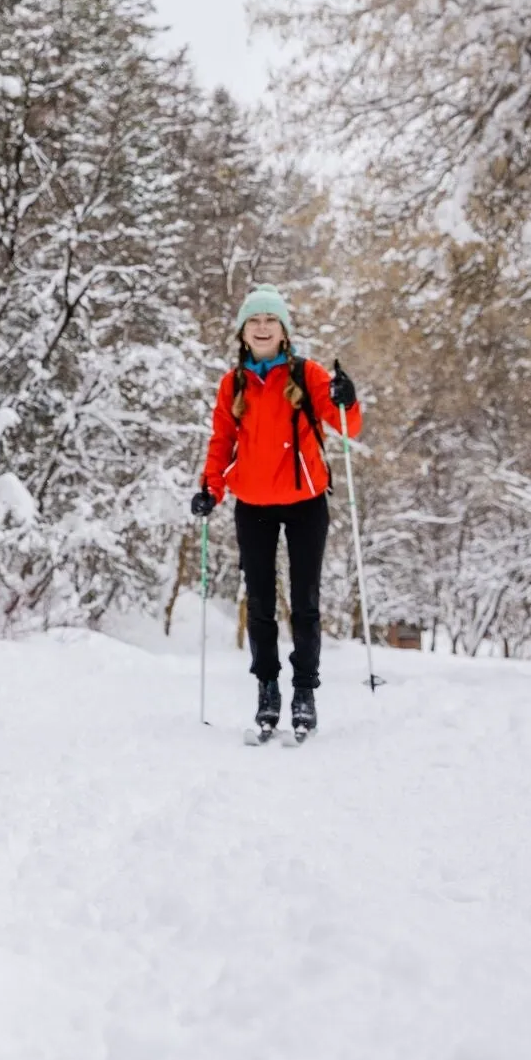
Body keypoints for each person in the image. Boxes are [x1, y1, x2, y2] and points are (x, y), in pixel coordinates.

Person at [190, 284, 362, 743]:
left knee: (305, 603)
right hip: (253, 505)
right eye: (254, 321)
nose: (262, 328)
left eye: (270, 320)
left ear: (284, 331)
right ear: (243, 332)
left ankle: (304, 692)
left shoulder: (307, 374)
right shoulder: (233, 383)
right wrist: (211, 488)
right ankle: (268, 690)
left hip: (306, 501)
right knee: (261, 603)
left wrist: (347, 396)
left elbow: (346, 423)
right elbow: (221, 440)